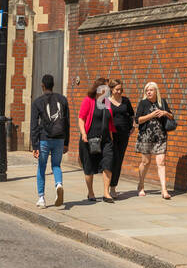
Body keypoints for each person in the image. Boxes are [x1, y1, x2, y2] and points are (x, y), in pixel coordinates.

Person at [29, 74, 69, 208]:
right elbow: (67, 123)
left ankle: (41, 198)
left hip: (44, 140)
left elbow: (34, 125)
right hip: (59, 139)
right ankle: (59, 184)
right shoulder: (62, 100)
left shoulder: (37, 102)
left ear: (42, 85)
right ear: (53, 85)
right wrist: (66, 142)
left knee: (41, 167)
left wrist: (35, 145)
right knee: (56, 165)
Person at [77, 75, 116, 203]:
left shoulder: (107, 102)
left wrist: (111, 137)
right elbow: (81, 118)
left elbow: (110, 122)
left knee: (108, 164)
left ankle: (106, 193)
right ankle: (91, 192)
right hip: (89, 139)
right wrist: (83, 134)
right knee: (89, 168)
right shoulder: (88, 100)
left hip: (105, 140)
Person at [135, 80, 173, 199]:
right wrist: (151, 115)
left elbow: (172, 117)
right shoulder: (143, 103)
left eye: (151, 90)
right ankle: (141, 185)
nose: (149, 92)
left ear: (156, 91)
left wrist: (165, 113)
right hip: (146, 136)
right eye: (147, 90)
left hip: (160, 136)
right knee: (146, 162)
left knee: (161, 162)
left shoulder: (162, 102)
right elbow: (138, 120)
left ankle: (164, 190)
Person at [108, 78, 135, 200]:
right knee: (111, 160)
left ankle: (113, 187)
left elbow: (132, 114)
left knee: (118, 161)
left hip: (124, 135)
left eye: (121, 89)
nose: (119, 92)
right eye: (117, 89)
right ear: (111, 89)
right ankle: (106, 186)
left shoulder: (126, 101)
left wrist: (133, 127)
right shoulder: (106, 101)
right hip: (111, 135)